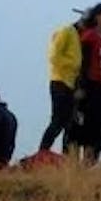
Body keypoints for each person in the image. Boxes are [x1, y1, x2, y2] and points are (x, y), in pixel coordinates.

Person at [39, 13, 84, 153]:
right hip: (60, 81)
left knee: (70, 123)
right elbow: (54, 55)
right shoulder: (67, 31)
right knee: (58, 121)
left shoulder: (77, 37)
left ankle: (66, 157)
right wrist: (72, 65)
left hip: (71, 83)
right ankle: (42, 152)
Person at [78, 3, 101, 162]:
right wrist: (81, 85)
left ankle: (92, 161)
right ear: (97, 16)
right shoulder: (90, 36)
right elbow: (83, 61)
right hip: (91, 85)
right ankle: (84, 160)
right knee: (90, 125)